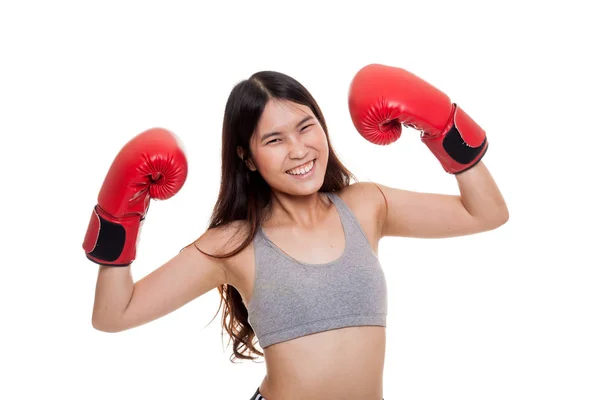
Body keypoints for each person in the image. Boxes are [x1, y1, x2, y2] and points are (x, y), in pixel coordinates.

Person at [84, 64, 509, 400]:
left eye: (306, 127)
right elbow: (112, 315)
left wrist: (444, 128)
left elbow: (487, 213)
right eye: (274, 140)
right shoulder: (234, 242)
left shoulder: (365, 205)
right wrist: (121, 217)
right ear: (247, 158)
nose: (299, 150)